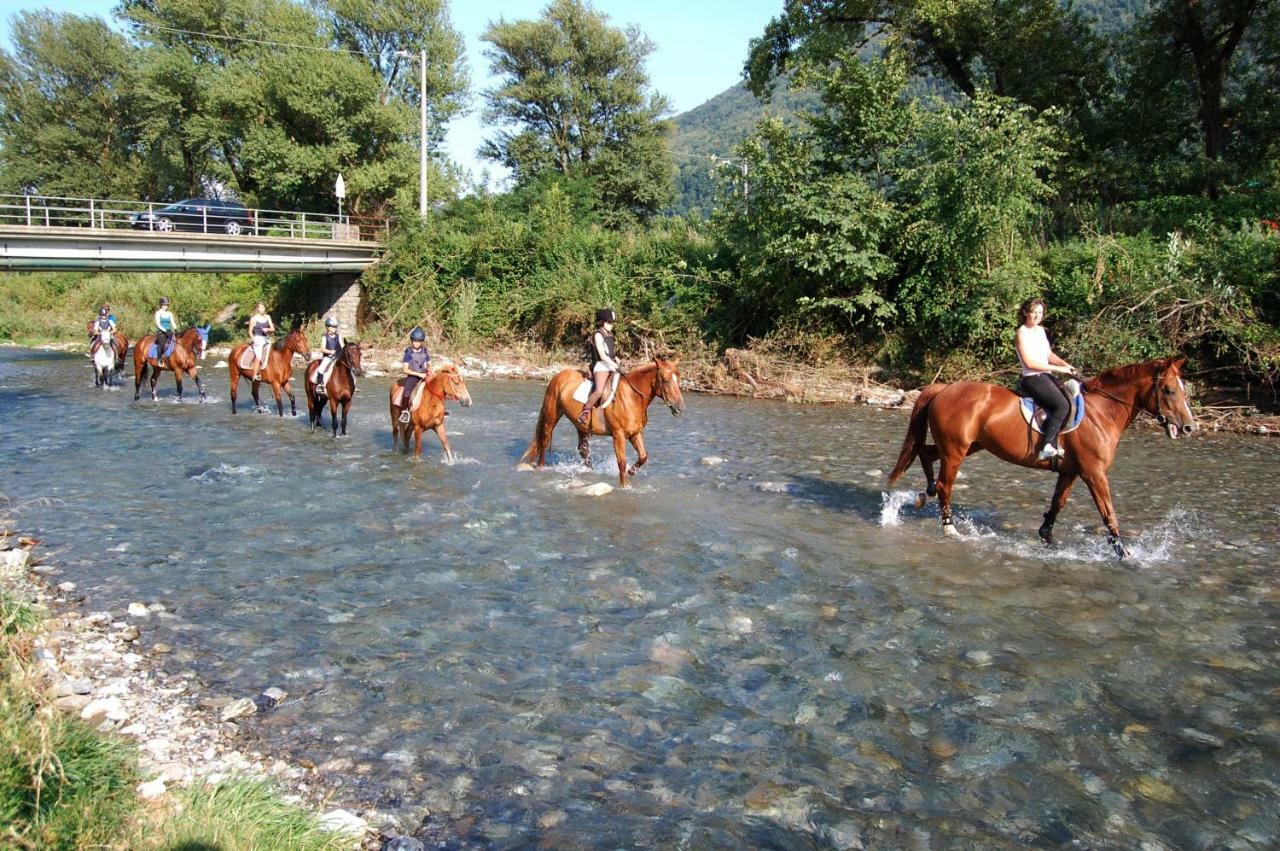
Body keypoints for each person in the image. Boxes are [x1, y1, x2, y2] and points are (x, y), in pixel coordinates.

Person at [1015, 298, 1076, 460]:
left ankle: (1059, 441)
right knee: (1061, 405)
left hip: (1045, 375)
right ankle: (1047, 445)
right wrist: (1059, 369)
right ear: (1026, 313)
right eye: (1034, 312)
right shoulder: (1021, 333)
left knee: (1071, 396)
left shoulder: (1041, 331)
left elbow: (1049, 355)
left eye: (1040, 312)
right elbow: (1029, 363)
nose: (1037, 316)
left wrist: (1067, 365)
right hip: (1032, 378)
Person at [578, 307, 620, 426]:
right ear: (602, 322)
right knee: (599, 391)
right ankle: (585, 411)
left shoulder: (610, 335)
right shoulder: (598, 335)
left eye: (612, 322)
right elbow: (602, 355)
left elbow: (610, 352)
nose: (611, 325)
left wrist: (616, 358)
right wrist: (613, 364)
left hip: (610, 365)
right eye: (609, 322)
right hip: (601, 366)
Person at [399, 327, 431, 423]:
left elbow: (429, 363)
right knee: (407, 393)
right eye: (415, 341)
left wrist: (429, 370)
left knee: (437, 387)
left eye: (419, 341)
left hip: (425, 374)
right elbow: (405, 369)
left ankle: (440, 408)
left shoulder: (425, 351)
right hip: (413, 376)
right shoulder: (408, 353)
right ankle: (405, 411)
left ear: (422, 341)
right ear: (412, 341)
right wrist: (419, 374)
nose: (416, 343)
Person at [313, 316, 344, 397]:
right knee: (321, 368)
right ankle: (320, 385)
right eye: (332, 327)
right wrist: (330, 351)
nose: (334, 328)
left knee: (348, 367)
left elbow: (343, 346)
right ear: (327, 327)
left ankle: (352, 384)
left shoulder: (338, 337)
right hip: (328, 357)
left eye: (335, 327)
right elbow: (322, 349)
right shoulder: (325, 337)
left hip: (337, 357)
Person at [247, 302, 276, 381]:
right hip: (258, 338)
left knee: (273, 351)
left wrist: (267, 329)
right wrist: (254, 340)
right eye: (261, 308)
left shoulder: (267, 317)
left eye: (263, 307)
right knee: (259, 356)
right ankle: (255, 375)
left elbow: (273, 329)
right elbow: (250, 332)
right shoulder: (254, 319)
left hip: (266, 338)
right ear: (257, 309)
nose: (263, 309)